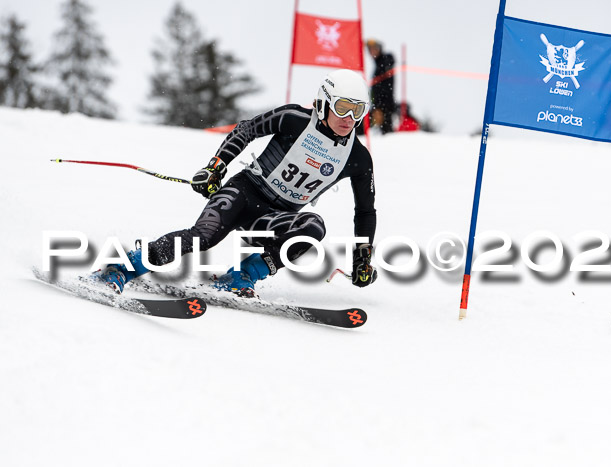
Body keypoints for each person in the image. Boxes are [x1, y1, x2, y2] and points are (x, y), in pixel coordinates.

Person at [92, 69, 378, 297]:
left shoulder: (358, 157)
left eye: (358, 110)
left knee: (313, 227)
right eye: (342, 108)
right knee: (202, 238)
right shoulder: (294, 119)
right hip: (243, 193)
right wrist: (216, 167)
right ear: (325, 101)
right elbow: (247, 129)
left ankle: (242, 276)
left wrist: (363, 256)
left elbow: (365, 211)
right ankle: (120, 268)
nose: (349, 118)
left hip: (271, 219)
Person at [366, 39, 396, 134]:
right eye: (370, 50)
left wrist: (378, 106)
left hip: (384, 103)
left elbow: (390, 60)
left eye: (374, 49)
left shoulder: (385, 60)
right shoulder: (377, 63)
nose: (372, 52)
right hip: (377, 103)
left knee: (386, 129)